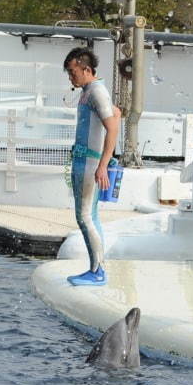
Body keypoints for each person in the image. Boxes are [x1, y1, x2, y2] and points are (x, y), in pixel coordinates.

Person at [63, 46, 122, 286]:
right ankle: (95, 268)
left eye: (73, 71)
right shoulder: (89, 91)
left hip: (90, 164)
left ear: (86, 69)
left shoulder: (97, 91)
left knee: (85, 216)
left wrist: (103, 165)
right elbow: (116, 114)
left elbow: (113, 128)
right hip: (82, 161)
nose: (71, 77)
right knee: (89, 216)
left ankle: (97, 270)